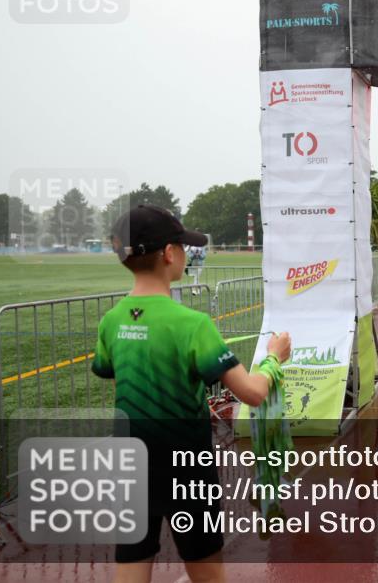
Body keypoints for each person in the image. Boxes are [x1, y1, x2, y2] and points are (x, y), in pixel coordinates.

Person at [93, 204, 291, 583]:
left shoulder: (112, 320)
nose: (187, 253)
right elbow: (251, 393)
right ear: (169, 253)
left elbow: (109, 371)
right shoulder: (193, 324)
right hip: (186, 464)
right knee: (206, 569)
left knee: (132, 565)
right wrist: (273, 359)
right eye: (183, 246)